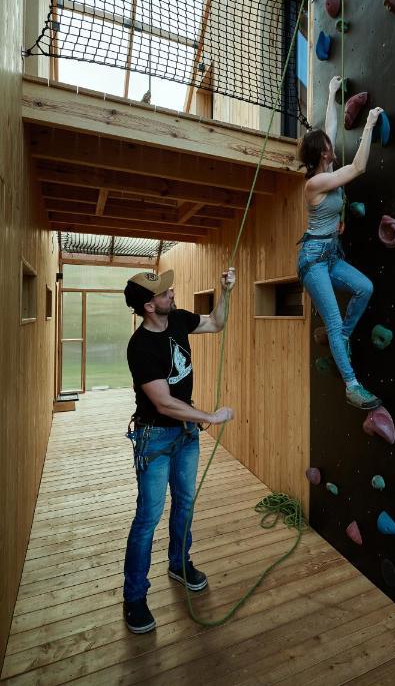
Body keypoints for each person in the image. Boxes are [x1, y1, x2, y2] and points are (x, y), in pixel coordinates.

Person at [122, 267, 235, 634]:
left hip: (185, 435)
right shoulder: (140, 347)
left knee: (185, 502)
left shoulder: (180, 320)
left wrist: (226, 291)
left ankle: (179, 563)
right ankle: (135, 597)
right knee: (148, 518)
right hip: (154, 437)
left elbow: (216, 324)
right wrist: (210, 417)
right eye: (164, 293)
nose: (172, 294)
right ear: (149, 306)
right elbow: (164, 403)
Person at [297, 75, 384, 411]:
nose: (333, 148)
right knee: (332, 321)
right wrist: (370, 124)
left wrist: (332, 92)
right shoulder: (315, 183)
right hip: (313, 261)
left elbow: (329, 126)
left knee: (365, 288)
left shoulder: (325, 164)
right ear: (322, 155)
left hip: (331, 255)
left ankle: (341, 337)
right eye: (329, 148)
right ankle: (351, 386)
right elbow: (359, 166)